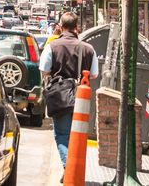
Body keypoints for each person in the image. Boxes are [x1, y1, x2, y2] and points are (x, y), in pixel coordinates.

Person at [40, 12, 99, 177]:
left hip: (60, 98)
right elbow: (94, 74)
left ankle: (69, 169)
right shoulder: (88, 48)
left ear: (60, 27)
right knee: (78, 137)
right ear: (76, 28)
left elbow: (44, 71)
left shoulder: (52, 46)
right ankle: (74, 169)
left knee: (62, 134)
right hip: (82, 98)